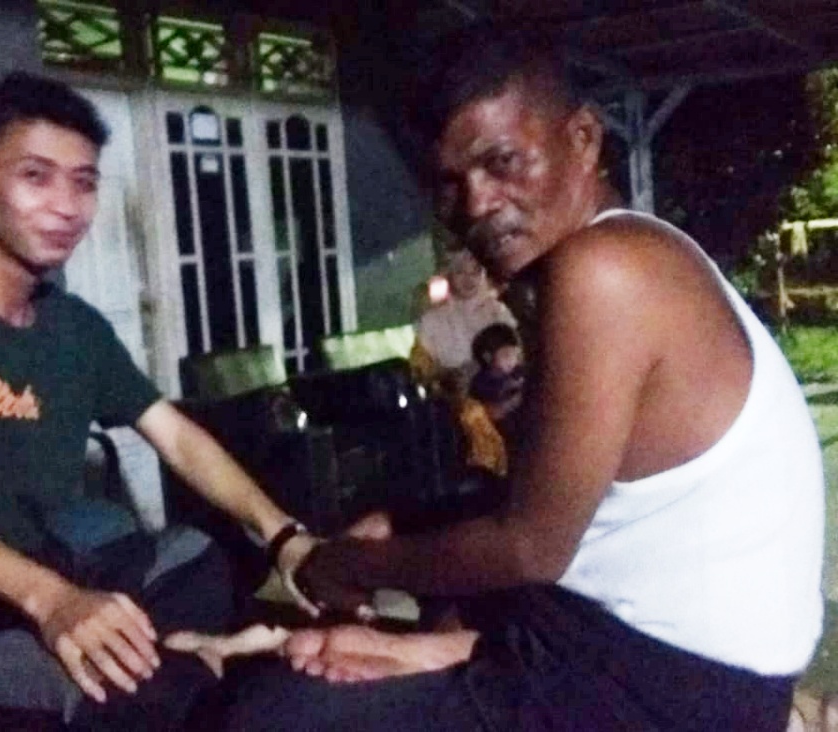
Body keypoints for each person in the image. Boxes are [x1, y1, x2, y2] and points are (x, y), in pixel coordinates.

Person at [214, 24, 824, 731]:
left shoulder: (606, 269)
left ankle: (441, 656)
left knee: (272, 711)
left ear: (584, 139)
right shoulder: (628, 252)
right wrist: (399, 528)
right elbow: (553, 502)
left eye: (502, 163)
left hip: (671, 694)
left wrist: (352, 564)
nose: (477, 204)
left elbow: (531, 547)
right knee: (408, 562)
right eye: (450, 183)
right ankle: (442, 653)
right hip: (623, 643)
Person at [0, 71, 322, 730]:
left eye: (83, 182)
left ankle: (195, 658)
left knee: (197, 557)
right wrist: (52, 601)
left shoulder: (75, 327)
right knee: (109, 695)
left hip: (46, 565)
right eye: (36, 176)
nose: (67, 206)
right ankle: (209, 661)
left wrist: (283, 536)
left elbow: (177, 437)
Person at [411, 248, 519, 476]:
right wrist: (449, 376)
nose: (468, 279)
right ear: (450, 275)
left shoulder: (499, 312)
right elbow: (421, 372)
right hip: (457, 398)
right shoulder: (432, 320)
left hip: (503, 389)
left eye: (475, 272)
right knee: (473, 414)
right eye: (460, 272)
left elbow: (519, 355)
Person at [468, 321, 527, 437]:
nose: (513, 360)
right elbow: (490, 413)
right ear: (487, 357)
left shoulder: (518, 372)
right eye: (506, 355)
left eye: (516, 355)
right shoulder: (481, 382)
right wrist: (516, 400)